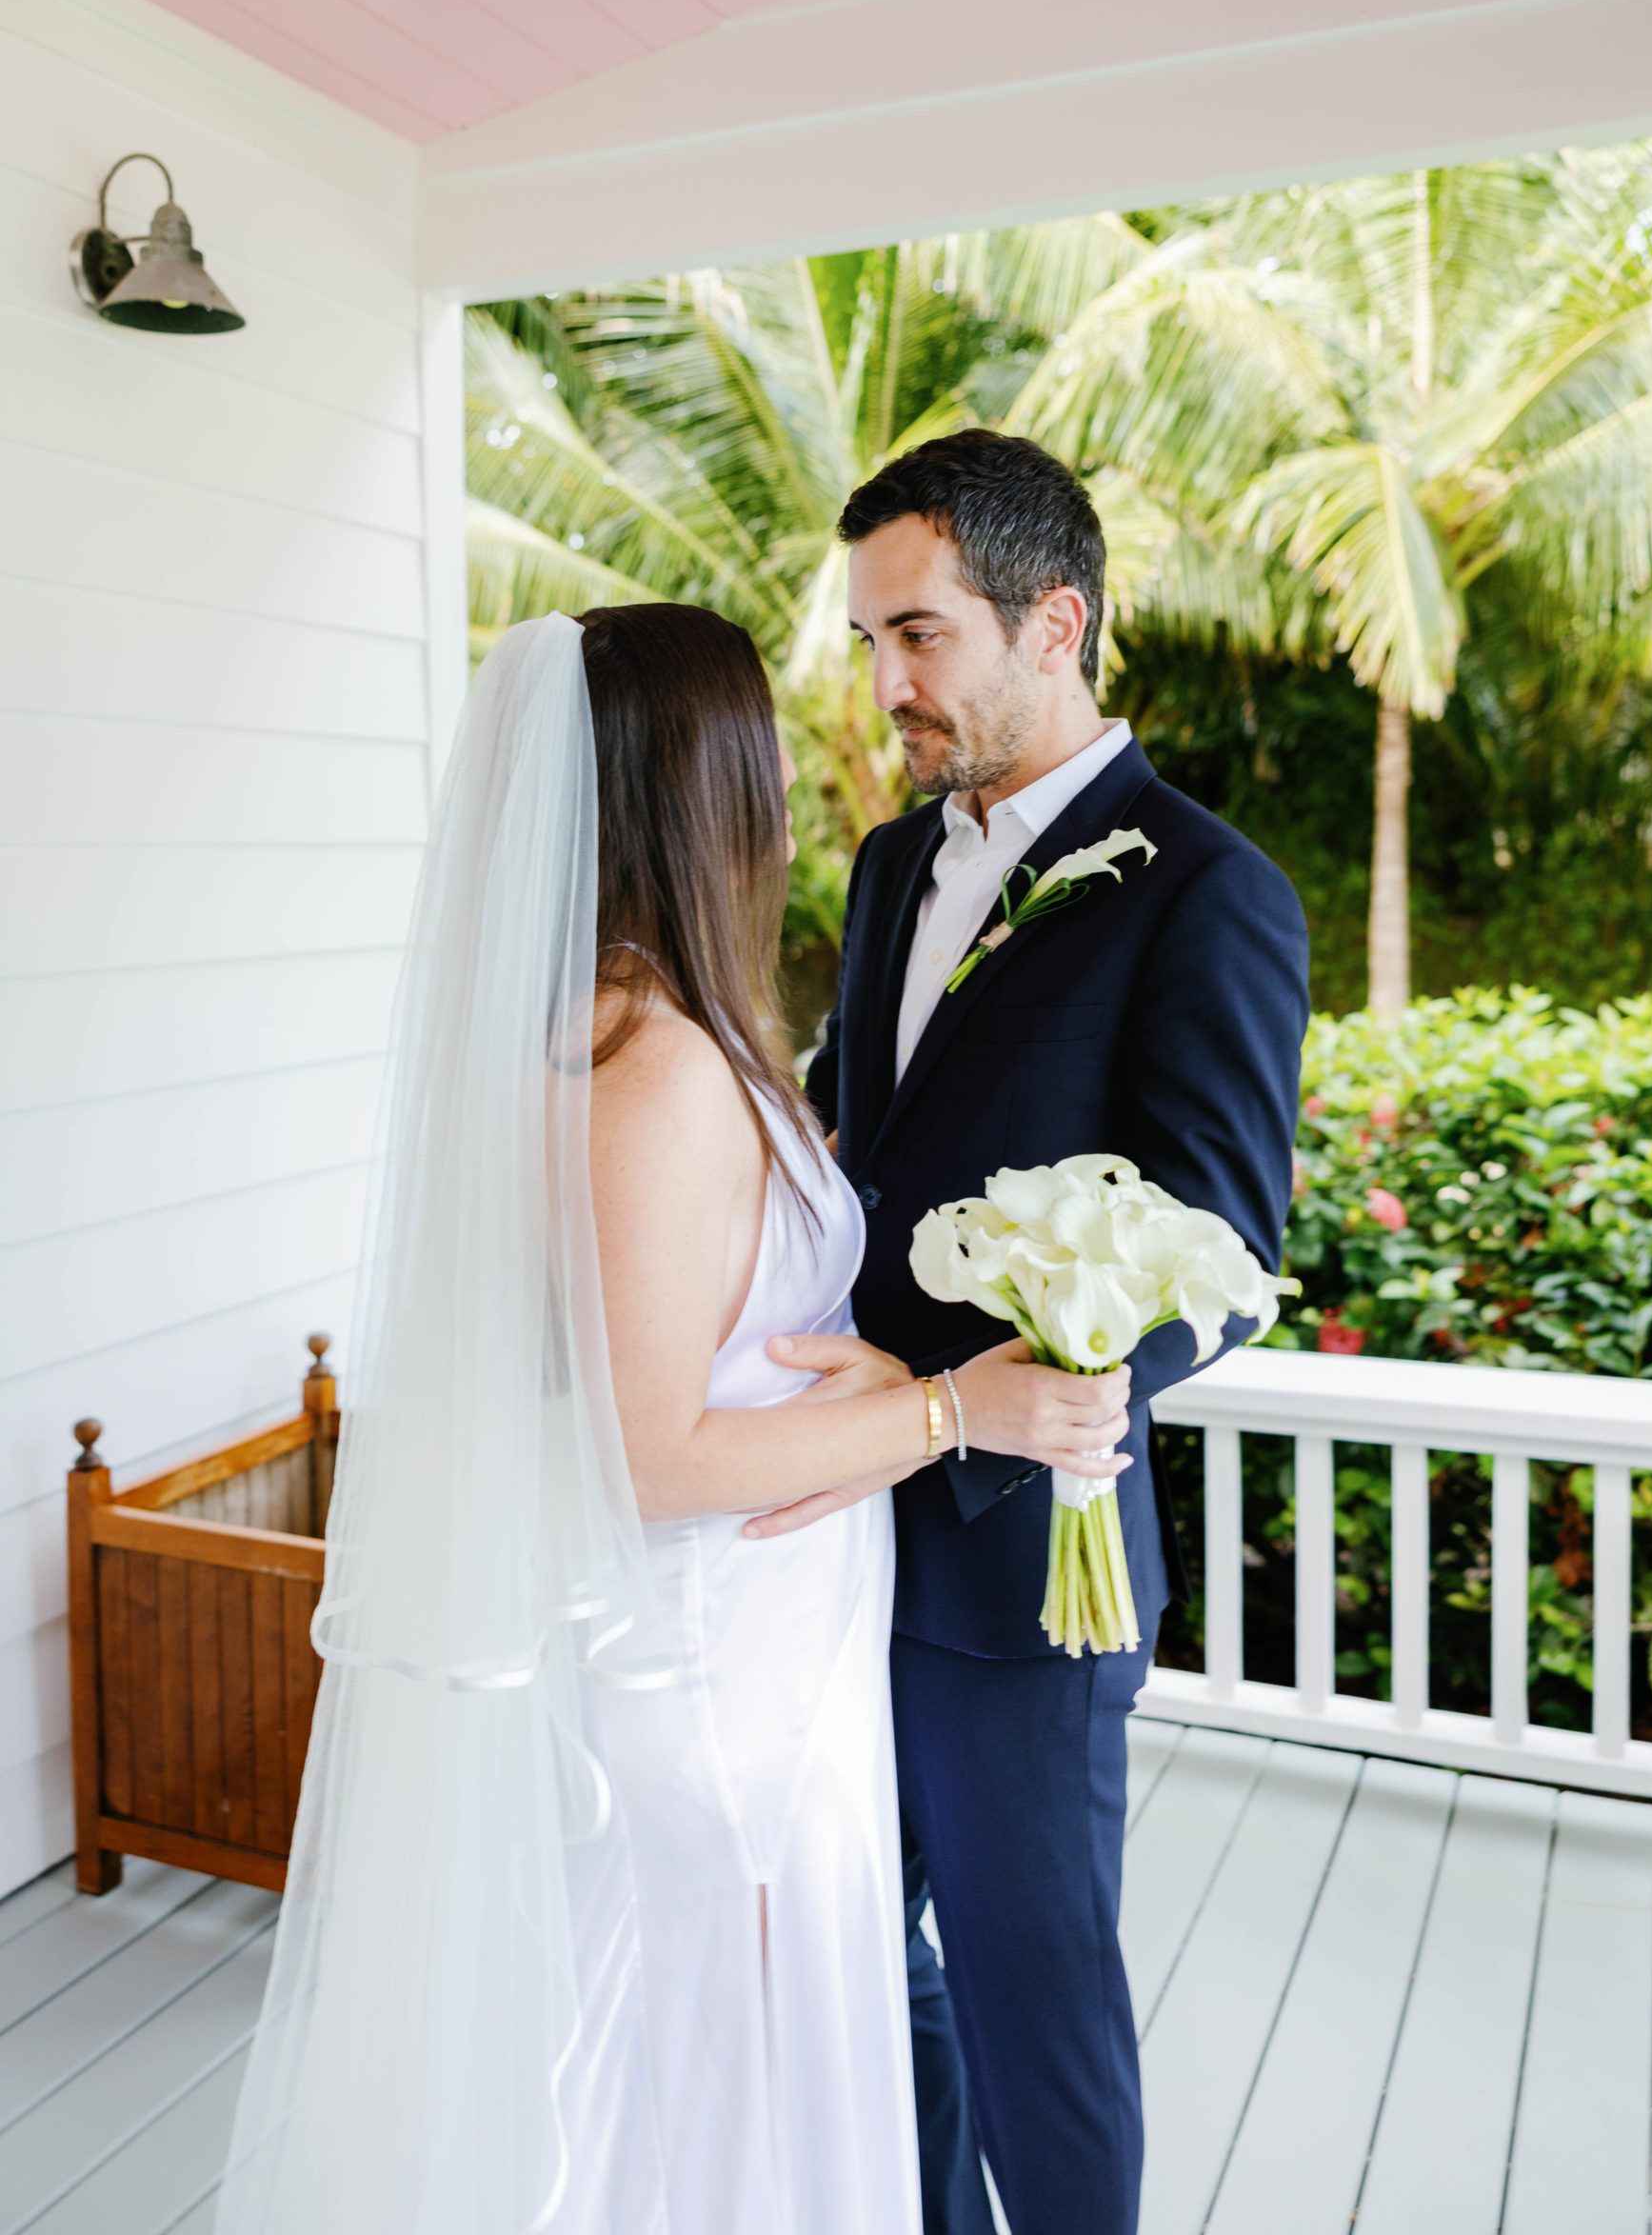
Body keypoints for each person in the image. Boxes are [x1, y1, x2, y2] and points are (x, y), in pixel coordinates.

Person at [215, 600, 1129, 2235]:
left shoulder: (617, 1030)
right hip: (714, 1694)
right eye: (761, 745)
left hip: (753, 1670)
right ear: (695, 786)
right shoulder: (655, 1068)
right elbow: (645, 1456)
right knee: (715, 2128)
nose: (790, 776)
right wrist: (947, 1409)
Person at [761, 431, 1310, 2235]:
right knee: (860, 1967)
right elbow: (863, 1150)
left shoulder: (1208, 891)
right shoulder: (881, 872)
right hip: (832, 1530)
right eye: (868, 642)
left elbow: (1219, 1238)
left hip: (1022, 1571)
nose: (885, 683)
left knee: (1035, 2015)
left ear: (1053, 621)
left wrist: (1014, 1393)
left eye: (918, 635)